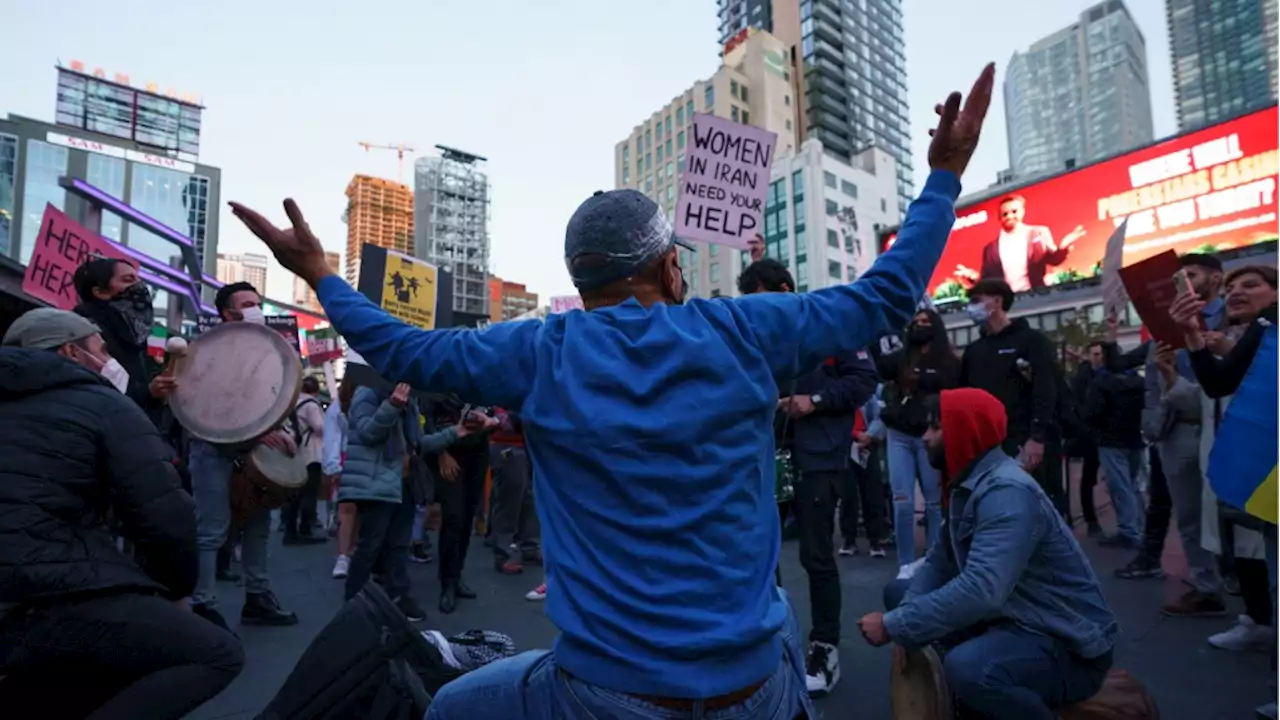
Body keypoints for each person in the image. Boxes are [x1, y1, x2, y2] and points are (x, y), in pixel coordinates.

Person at [229, 62, 993, 719]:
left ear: (582, 283)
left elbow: (399, 347)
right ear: (668, 268)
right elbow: (883, 297)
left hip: (602, 693)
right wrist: (945, 174)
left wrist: (320, 273)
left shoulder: (538, 352)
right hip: (751, 688)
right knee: (781, 629)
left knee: (450, 701)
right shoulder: (741, 330)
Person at [0, 308, 243, 719]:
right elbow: (163, 513)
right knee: (217, 653)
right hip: (51, 588)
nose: (107, 359)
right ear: (71, 352)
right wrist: (175, 588)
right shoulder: (101, 403)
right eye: (100, 349)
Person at [860, 388, 1116, 720]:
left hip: (1065, 643)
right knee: (899, 593)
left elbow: (982, 590)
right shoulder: (968, 484)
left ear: (965, 432)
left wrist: (895, 627)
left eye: (936, 428)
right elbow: (940, 561)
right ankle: (973, 700)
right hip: (1014, 616)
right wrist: (905, 628)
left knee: (968, 668)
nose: (925, 437)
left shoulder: (1007, 493)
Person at [737, 257, 880, 695]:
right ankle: (775, 641)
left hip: (819, 458)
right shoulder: (754, 335)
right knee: (762, 554)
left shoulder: (829, 323)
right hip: (768, 457)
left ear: (783, 290)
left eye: (759, 300)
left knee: (817, 556)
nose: (754, 311)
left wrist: (813, 400)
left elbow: (864, 380)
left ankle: (824, 647)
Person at [187, 281, 299, 628]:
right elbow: (204, 405)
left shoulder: (266, 351)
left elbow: (270, 401)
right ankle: (201, 604)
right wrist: (255, 431)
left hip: (254, 448)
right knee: (211, 530)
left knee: (259, 526)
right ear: (228, 313)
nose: (256, 309)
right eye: (247, 304)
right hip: (212, 448)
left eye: (258, 303)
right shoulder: (206, 351)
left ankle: (257, 597)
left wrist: (281, 431)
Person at [341, 382, 471, 621]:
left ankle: (398, 597)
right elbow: (368, 433)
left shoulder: (410, 402)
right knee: (370, 546)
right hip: (375, 484)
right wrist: (391, 405)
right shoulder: (367, 395)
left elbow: (419, 443)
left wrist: (455, 432)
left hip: (404, 482)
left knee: (399, 546)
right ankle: (353, 604)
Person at [959, 278, 1065, 515]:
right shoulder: (974, 351)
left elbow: (1045, 388)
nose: (971, 307)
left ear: (997, 301)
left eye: (977, 300)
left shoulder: (1031, 340)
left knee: (1039, 509)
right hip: (986, 447)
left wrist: (1037, 437)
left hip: (1024, 441)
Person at [877, 308, 960, 569]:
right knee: (902, 502)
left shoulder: (949, 361)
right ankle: (905, 564)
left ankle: (934, 562)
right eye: (915, 322)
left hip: (930, 435)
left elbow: (952, 385)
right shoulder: (900, 358)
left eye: (925, 321)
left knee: (934, 502)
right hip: (899, 434)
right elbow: (877, 365)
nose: (920, 325)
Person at [72, 257, 177, 421]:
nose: (140, 286)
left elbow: (159, 373)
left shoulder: (156, 332)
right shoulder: (85, 332)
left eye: (138, 279)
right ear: (100, 292)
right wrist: (148, 392)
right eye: (128, 280)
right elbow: (97, 393)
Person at [430, 399, 498, 614]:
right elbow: (427, 421)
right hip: (449, 449)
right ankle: (447, 583)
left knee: (467, 516)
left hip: (477, 451)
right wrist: (441, 453)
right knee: (453, 517)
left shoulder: (483, 380)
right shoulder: (437, 382)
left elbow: (497, 410)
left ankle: (456, 575)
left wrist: (491, 419)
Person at [1081, 340, 1146, 550]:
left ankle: (1129, 530)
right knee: (1133, 484)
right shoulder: (1136, 381)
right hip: (1134, 438)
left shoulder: (1101, 383)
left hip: (1110, 439)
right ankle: (1140, 527)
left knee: (1120, 486)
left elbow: (1092, 412)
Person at [973, 194, 1086, 291]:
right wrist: (972, 277)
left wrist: (1063, 247)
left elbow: (1054, 259)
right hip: (1007, 303)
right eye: (1005, 214)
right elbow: (987, 281)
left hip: (1036, 296)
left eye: (1014, 211)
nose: (1010, 216)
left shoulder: (1038, 233)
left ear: (1022, 211)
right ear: (999, 218)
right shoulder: (990, 249)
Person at [490, 407, 542, 575]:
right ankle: (502, 554)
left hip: (529, 443)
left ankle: (530, 548)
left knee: (530, 498)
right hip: (508, 443)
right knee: (509, 499)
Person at [840, 385, 890, 559]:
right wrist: (854, 434)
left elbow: (881, 415)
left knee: (873, 492)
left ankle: (875, 539)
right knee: (848, 493)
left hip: (869, 443)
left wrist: (869, 435)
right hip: (845, 443)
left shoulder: (875, 389)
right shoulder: (839, 386)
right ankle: (848, 539)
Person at [282, 375, 327, 545]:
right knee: (309, 492)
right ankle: (305, 528)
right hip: (311, 453)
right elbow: (319, 427)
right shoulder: (312, 405)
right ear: (315, 391)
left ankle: (290, 528)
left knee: (294, 492)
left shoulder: (291, 402)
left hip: (294, 451)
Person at [325, 376, 355, 578]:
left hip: (364, 459)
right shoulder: (338, 407)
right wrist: (334, 466)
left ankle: (350, 552)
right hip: (347, 460)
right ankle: (343, 555)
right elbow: (332, 437)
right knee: (347, 508)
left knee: (358, 510)